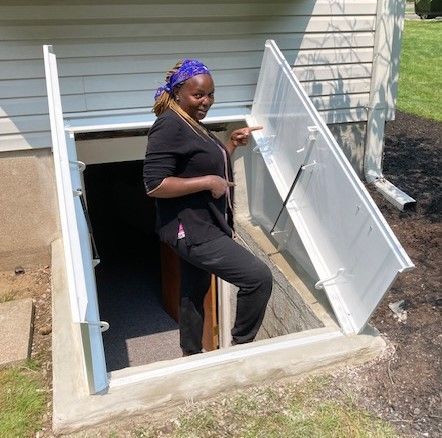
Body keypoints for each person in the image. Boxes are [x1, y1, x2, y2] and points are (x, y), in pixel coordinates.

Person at [143, 59, 272, 356]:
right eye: (198, 95)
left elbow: (200, 163)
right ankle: (240, 347)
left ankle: (190, 353)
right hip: (192, 230)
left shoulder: (192, 124)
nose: (206, 101)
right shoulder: (168, 125)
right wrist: (208, 182)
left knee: (193, 291)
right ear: (177, 93)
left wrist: (231, 145)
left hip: (204, 224)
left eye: (210, 95)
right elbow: (154, 185)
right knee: (257, 278)